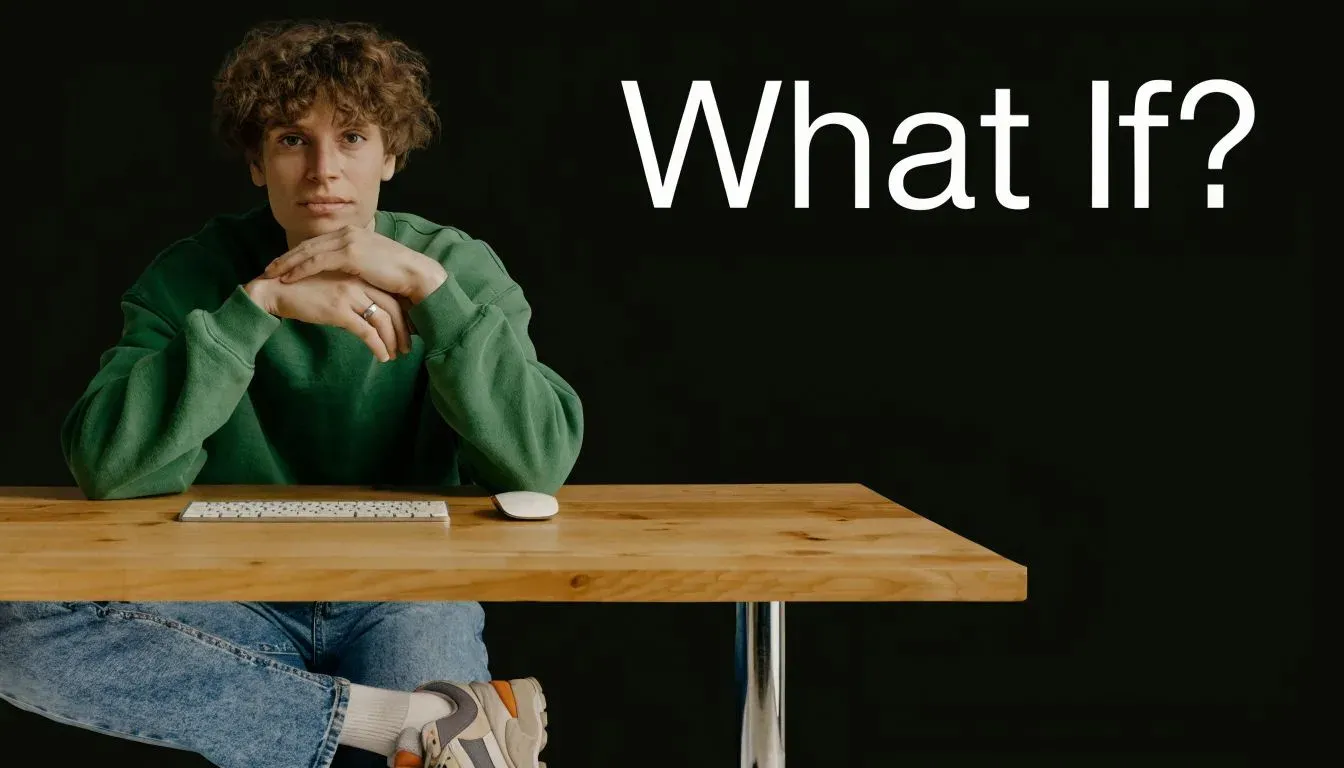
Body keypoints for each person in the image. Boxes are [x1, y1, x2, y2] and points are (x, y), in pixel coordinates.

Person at [0, 18, 582, 768]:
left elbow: (537, 464)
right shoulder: (192, 274)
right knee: (14, 629)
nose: (323, 172)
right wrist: (257, 310)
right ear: (256, 163)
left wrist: (432, 292)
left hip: (406, 592)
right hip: (225, 593)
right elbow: (110, 467)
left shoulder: (454, 266)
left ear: (391, 156)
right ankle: (400, 721)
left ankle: (388, 722)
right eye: (290, 140)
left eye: (352, 138)